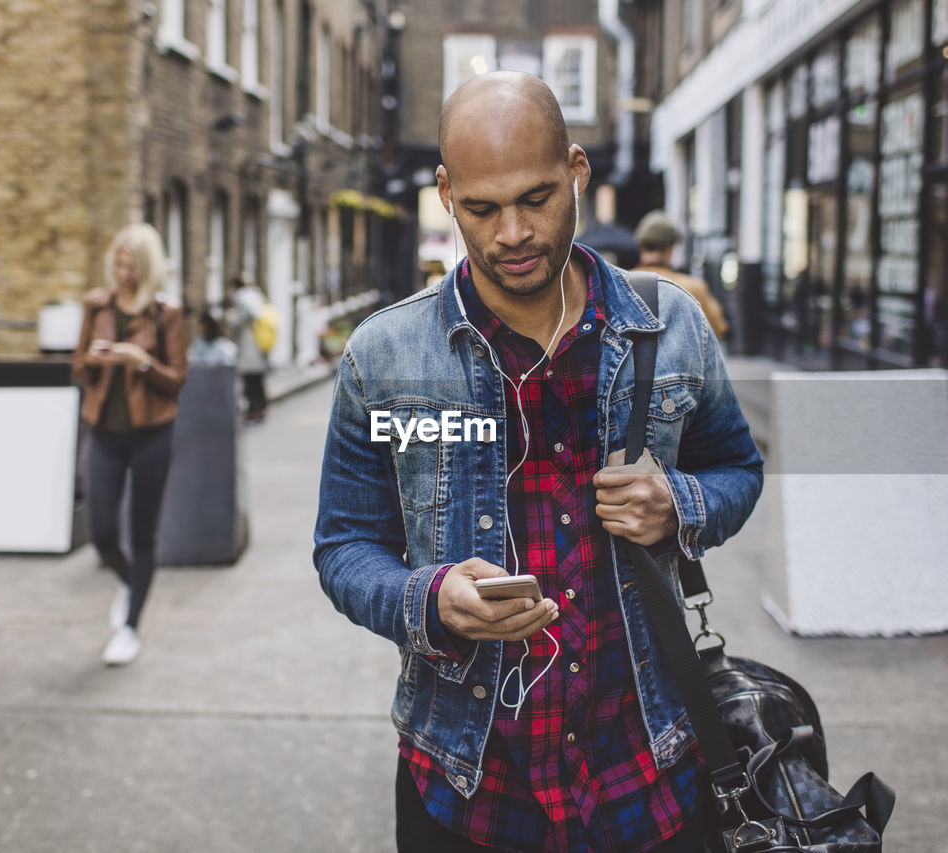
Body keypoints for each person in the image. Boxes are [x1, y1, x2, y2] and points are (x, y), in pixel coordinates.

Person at [312, 72, 764, 852]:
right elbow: (345, 544)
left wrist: (678, 506)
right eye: (482, 209)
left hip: (650, 774)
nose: (513, 232)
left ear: (577, 171)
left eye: (537, 197)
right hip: (469, 788)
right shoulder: (382, 356)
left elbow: (738, 470)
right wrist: (431, 598)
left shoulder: (670, 326)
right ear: (447, 192)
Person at [72, 223, 188, 666]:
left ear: (148, 268)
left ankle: (129, 627)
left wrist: (141, 363)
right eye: (118, 263)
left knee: (142, 532)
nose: (123, 273)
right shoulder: (96, 306)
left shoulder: (166, 314)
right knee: (101, 532)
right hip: (103, 431)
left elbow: (177, 380)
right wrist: (95, 361)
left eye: (132, 266)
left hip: (151, 434)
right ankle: (129, 581)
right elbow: (78, 366)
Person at [632, 210, 730, 340]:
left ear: (640, 246)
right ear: (670, 249)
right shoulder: (694, 287)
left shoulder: (620, 283)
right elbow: (718, 328)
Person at [230, 274, 268, 423]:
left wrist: (233, 320)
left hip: (249, 343)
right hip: (258, 342)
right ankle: (259, 408)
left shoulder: (242, 297)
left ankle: (254, 409)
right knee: (257, 378)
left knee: (250, 379)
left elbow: (247, 315)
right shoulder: (255, 294)